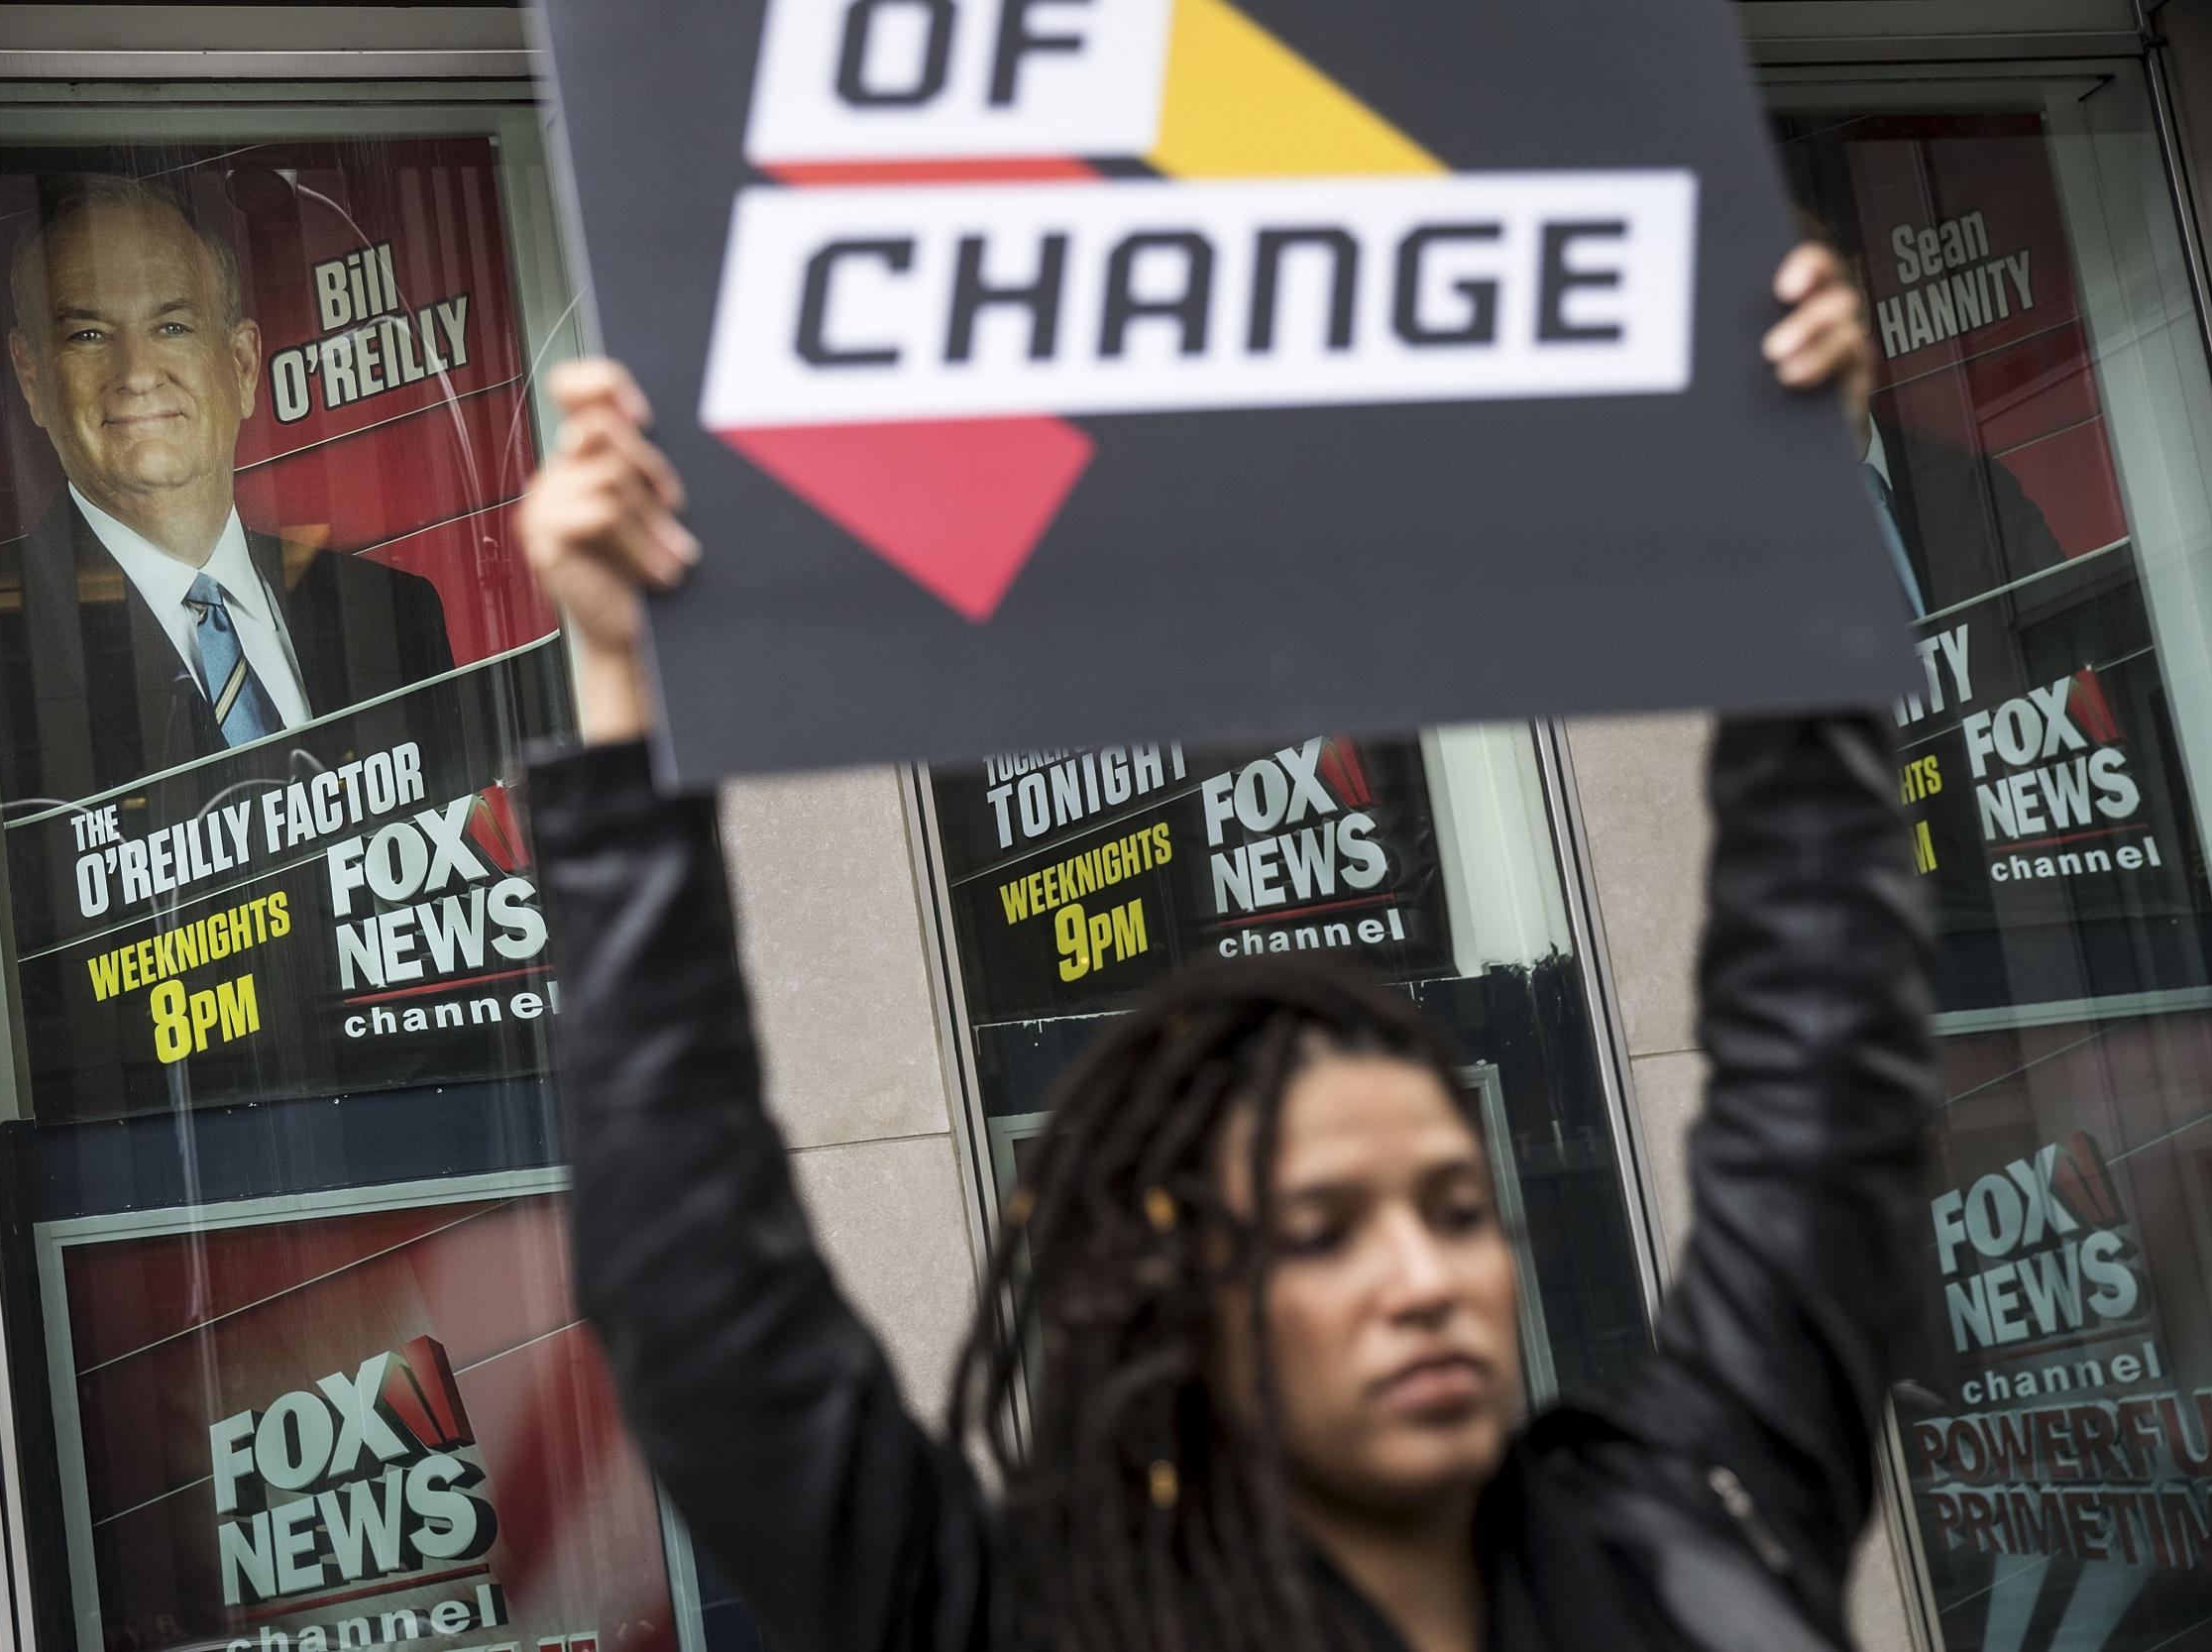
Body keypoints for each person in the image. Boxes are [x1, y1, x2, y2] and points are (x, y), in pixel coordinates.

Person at [512, 242, 1931, 1652]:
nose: (1423, 1276)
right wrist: (627, 678)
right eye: (1321, 1229)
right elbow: (702, 1298)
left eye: (1452, 1207)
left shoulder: (1697, 1534)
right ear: (1176, 1305)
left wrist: (1794, 518)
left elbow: (1823, 1061)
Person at [0, 172, 454, 806]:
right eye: (87, 334)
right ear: (32, 377)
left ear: (244, 364)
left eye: (172, 326)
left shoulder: (396, 614)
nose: (138, 374)